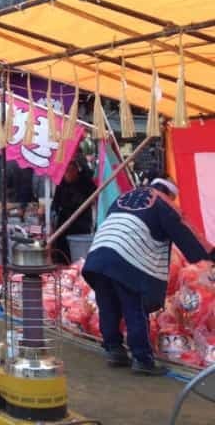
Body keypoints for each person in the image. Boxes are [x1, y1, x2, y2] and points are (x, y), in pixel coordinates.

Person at [83, 178, 215, 376]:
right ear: (170, 194)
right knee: (134, 308)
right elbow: (184, 231)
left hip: (98, 255)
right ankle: (142, 358)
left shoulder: (124, 197)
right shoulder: (162, 202)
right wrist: (210, 254)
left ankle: (114, 350)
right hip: (125, 259)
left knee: (108, 305)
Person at [51, 158, 96, 263]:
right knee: (62, 247)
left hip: (81, 221)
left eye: (71, 170)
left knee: (78, 249)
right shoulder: (61, 183)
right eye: (66, 171)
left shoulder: (85, 182)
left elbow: (93, 197)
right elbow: (56, 202)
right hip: (64, 220)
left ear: (76, 170)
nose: (68, 174)